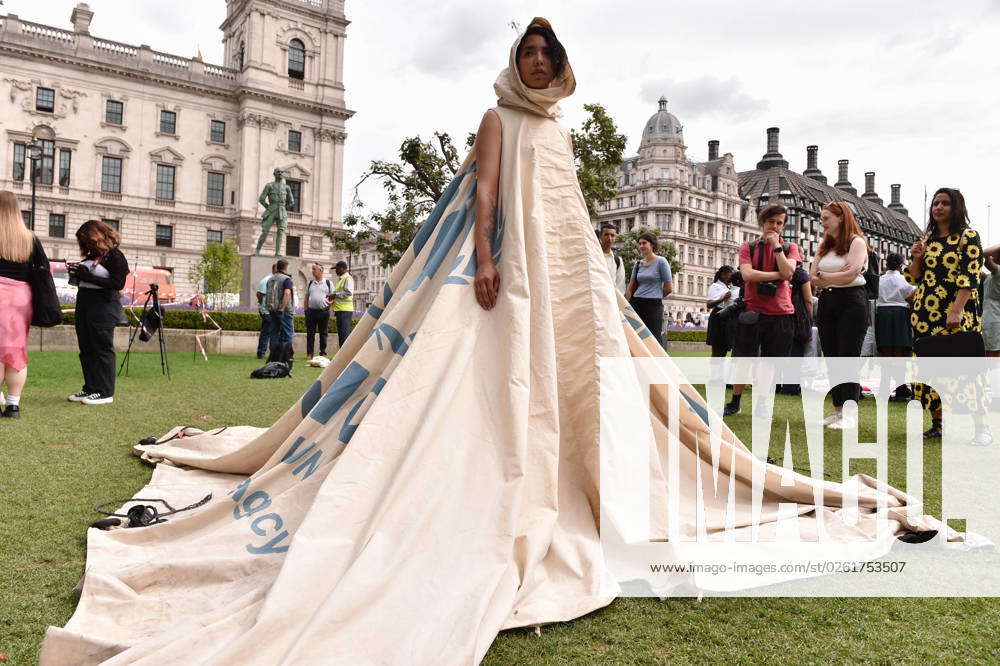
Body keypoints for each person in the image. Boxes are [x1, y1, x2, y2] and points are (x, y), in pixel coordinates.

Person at [44, 20, 955, 664]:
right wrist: (482, 257)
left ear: (559, 68)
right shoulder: (498, 119)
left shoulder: (557, 130)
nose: (534, 63)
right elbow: (487, 200)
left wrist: (594, 281)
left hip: (568, 287)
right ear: (514, 64)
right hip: (504, 278)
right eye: (526, 52)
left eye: (544, 54)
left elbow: (566, 214)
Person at [905, 187, 990, 444]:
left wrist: (956, 311)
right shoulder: (927, 239)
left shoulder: (968, 236)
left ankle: (981, 429)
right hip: (926, 313)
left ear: (956, 207)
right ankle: (938, 424)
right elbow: (915, 277)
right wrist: (917, 258)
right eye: (935, 204)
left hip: (957, 311)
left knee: (966, 369)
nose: (938, 208)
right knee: (932, 369)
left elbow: (970, 276)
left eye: (945, 203)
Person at [723, 204, 801, 416]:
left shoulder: (790, 248)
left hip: (780, 312)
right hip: (752, 310)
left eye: (779, 223)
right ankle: (735, 401)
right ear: (762, 222)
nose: (775, 227)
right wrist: (779, 276)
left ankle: (761, 403)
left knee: (769, 363)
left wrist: (776, 248)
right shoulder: (748, 247)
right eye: (771, 222)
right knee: (742, 359)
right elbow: (748, 275)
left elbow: (788, 270)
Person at [809, 202, 870, 429]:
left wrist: (826, 276)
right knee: (832, 357)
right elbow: (813, 276)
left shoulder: (857, 242)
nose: (822, 222)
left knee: (848, 357)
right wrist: (834, 276)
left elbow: (852, 273)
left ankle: (850, 414)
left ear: (841, 218)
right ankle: (837, 410)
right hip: (828, 302)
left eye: (826, 218)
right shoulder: (824, 245)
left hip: (852, 301)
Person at [67, 219, 129, 405]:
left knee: (102, 348)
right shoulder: (91, 256)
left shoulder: (115, 256)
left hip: (103, 306)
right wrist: (77, 275)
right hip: (85, 302)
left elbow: (118, 284)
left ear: (97, 237)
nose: (85, 245)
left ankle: (105, 391)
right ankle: (91, 388)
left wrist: (89, 276)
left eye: (87, 240)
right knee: (86, 348)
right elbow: (88, 279)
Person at [0, 190, 50, 418]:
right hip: (20, 298)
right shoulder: (29, 238)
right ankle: (13, 405)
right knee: (16, 351)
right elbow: (43, 271)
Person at [875, 252, 916, 401]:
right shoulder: (904, 280)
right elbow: (913, 294)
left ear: (886, 264)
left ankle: (884, 390)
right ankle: (900, 389)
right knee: (899, 355)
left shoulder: (880, 280)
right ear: (901, 265)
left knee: (886, 354)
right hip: (900, 314)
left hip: (883, 314)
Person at [625, 232, 672, 349]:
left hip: (653, 306)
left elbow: (669, 287)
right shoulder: (638, 264)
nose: (641, 246)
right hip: (636, 303)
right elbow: (630, 288)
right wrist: (625, 306)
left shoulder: (661, 261)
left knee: (654, 339)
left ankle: (657, 366)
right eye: (639, 243)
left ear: (652, 244)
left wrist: (655, 295)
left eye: (644, 243)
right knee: (635, 338)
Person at [981, 251, 1000, 409]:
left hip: (994, 319)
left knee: (994, 360)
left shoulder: (997, 271)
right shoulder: (993, 276)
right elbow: (980, 273)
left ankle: (996, 397)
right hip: (991, 318)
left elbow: (983, 255)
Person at [304, 263, 333, 358]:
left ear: (321, 271)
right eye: (312, 269)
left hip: (324, 312)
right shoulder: (310, 283)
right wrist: (306, 310)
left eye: (314, 269)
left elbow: (333, 298)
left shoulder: (328, 283)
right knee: (310, 333)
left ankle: (323, 353)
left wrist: (330, 309)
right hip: (311, 312)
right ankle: (309, 353)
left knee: (323, 333)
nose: (312, 271)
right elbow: (306, 297)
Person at [266, 259, 294, 348]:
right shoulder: (287, 279)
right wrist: (282, 307)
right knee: (288, 332)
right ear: (286, 268)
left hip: (272, 309)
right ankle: (287, 356)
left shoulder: (270, 279)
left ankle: (273, 356)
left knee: (274, 332)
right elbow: (287, 293)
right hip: (284, 310)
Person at [330, 260, 354, 351]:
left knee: (344, 336)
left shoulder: (348, 278)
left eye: (336, 269)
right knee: (341, 335)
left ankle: (344, 357)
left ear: (342, 269)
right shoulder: (342, 279)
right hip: (340, 310)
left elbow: (349, 293)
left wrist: (335, 295)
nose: (335, 271)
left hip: (345, 311)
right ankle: (341, 356)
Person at [596, 222, 626, 294]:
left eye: (612, 235)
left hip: (610, 301)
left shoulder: (617, 260)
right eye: (606, 235)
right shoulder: (593, 256)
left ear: (615, 238)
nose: (609, 238)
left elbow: (620, 285)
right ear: (600, 236)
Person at [256, 263, 277, 359]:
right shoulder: (267, 280)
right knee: (267, 331)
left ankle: (262, 352)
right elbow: (259, 294)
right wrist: (263, 305)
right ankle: (262, 353)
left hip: (269, 311)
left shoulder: (274, 280)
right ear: (274, 270)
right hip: (266, 311)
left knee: (266, 331)